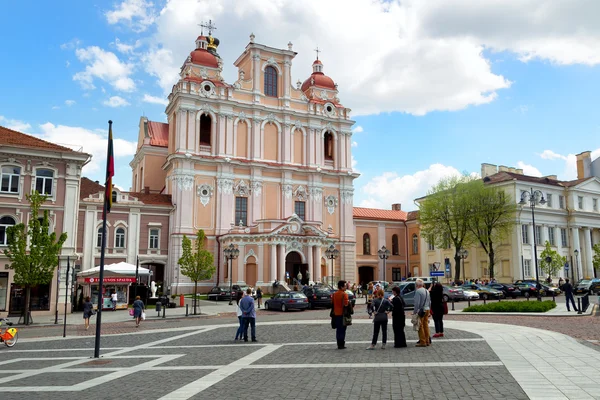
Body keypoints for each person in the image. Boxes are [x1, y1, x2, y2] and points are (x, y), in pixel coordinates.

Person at [331, 280, 350, 349]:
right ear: (341, 287)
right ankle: (342, 344)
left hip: (336, 314)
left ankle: (338, 344)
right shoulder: (344, 294)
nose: (346, 287)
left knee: (338, 330)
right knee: (343, 330)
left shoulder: (334, 294)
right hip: (343, 314)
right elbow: (346, 304)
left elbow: (332, 303)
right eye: (345, 286)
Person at [413, 279, 431, 347]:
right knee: (426, 325)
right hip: (427, 309)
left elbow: (417, 303)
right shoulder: (427, 291)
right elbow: (429, 302)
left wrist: (415, 312)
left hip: (421, 310)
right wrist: (429, 310)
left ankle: (422, 341)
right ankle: (427, 340)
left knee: (420, 326)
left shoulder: (418, 291)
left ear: (417, 285)